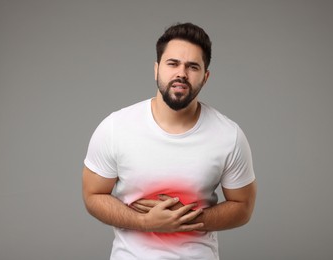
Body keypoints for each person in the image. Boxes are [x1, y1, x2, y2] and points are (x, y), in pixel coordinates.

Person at [82, 22, 257, 260]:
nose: (181, 74)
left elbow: (243, 207)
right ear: (156, 69)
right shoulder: (116, 127)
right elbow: (92, 196)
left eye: (192, 67)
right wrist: (143, 221)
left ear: (205, 77)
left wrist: (186, 219)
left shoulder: (229, 136)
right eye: (172, 63)